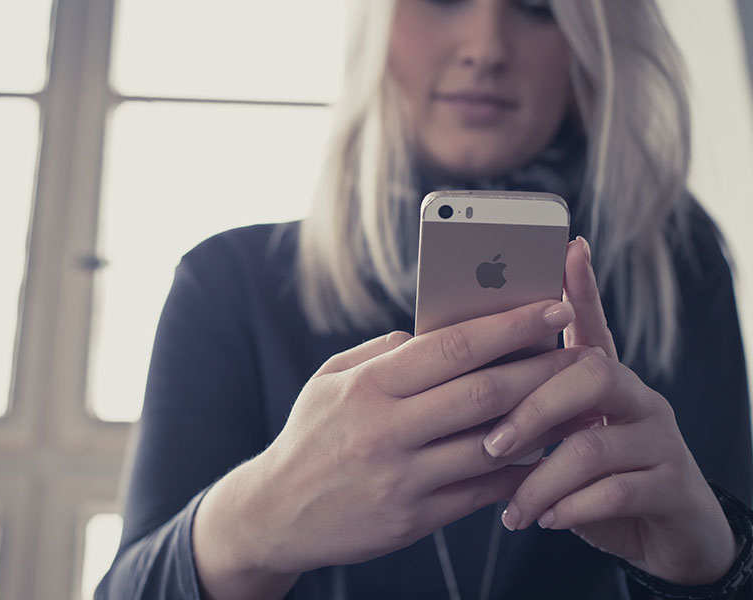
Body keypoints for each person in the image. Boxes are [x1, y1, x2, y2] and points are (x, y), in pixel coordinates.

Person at [96, 0, 753, 598]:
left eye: (537, 8)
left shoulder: (679, 271)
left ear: (589, 45)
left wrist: (707, 566)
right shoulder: (228, 281)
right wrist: (258, 517)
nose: (486, 48)